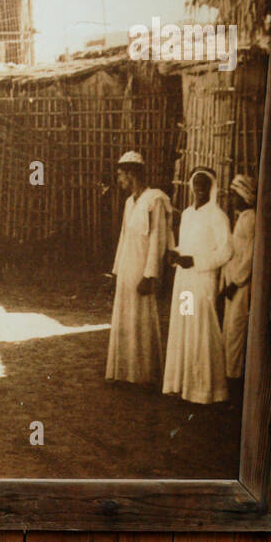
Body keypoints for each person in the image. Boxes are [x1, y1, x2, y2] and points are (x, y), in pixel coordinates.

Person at [163, 167, 233, 404]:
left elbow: (226, 251)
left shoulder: (217, 215)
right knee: (185, 324)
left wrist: (198, 262)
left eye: (204, 185)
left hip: (203, 280)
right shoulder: (189, 214)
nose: (199, 189)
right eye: (197, 184)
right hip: (185, 280)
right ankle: (183, 384)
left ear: (211, 187)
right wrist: (176, 254)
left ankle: (204, 389)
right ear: (192, 186)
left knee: (202, 328)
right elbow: (187, 246)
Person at [105, 150, 172, 386]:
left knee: (141, 319)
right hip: (126, 267)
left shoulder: (155, 200)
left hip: (142, 268)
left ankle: (143, 375)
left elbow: (158, 240)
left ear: (132, 174)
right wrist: (115, 273)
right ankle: (125, 373)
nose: (120, 181)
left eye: (122, 176)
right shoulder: (129, 203)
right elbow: (124, 238)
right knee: (125, 317)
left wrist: (150, 275)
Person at [221, 174, 257, 381]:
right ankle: (228, 374)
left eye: (235, 194)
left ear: (244, 195)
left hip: (240, 285)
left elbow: (250, 255)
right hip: (232, 282)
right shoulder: (241, 217)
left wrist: (236, 282)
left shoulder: (251, 218)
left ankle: (233, 378)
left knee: (236, 330)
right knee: (229, 329)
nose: (231, 198)